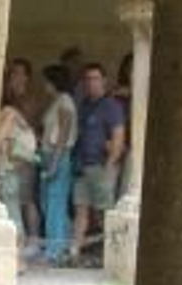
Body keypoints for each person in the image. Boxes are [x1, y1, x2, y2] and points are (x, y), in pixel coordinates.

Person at [71, 63, 126, 265]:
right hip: (83, 166)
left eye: (95, 78)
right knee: (81, 209)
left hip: (102, 167)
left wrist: (109, 167)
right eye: (87, 79)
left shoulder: (111, 106)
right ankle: (74, 253)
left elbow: (118, 138)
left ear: (104, 80)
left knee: (105, 214)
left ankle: (114, 256)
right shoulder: (85, 105)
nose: (90, 82)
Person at [37, 63, 78, 264]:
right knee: (48, 203)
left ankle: (54, 251)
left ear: (54, 82)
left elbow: (63, 135)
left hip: (58, 156)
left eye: (46, 81)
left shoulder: (65, 101)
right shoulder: (56, 101)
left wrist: (54, 163)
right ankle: (65, 242)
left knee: (54, 203)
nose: (43, 86)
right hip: (48, 154)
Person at [3, 58, 43, 252]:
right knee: (13, 199)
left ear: (27, 76)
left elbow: (25, 122)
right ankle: (19, 241)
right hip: (11, 155)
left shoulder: (29, 98)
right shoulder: (10, 96)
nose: (15, 76)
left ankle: (34, 239)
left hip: (25, 154)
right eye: (13, 72)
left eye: (19, 72)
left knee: (27, 199)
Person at [0, 95, 38, 242]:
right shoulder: (24, 126)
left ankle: (19, 259)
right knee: (12, 216)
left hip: (6, 174)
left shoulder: (8, 112)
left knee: (12, 218)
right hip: (10, 173)